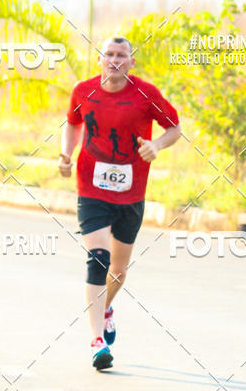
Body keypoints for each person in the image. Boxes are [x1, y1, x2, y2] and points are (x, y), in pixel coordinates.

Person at [58, 36, 181, 370]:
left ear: (131, 62)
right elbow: (72, 122)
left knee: (119, 269)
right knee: (98, 258)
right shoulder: (83, 91)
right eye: (109, 55)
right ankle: (98, 341)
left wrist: (156, 145)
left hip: (131, 192)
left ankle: (107, 307)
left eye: (121, 56)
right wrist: (65, 154)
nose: (114, 60)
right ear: (100, 59)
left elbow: (174, 128)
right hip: (91, 186)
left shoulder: (146, 94)